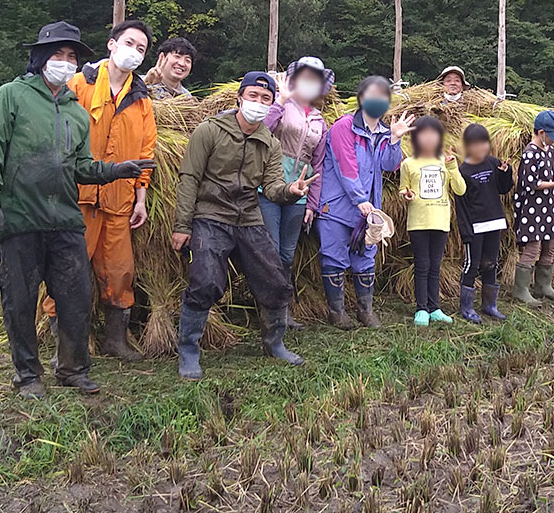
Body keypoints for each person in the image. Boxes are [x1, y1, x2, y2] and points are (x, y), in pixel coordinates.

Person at [0, 22, 154, 399]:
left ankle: (72, 369)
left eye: (71, 56)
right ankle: (27, 376)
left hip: (65, 219)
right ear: (40, 58)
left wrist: (114, 171)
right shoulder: (12, 96)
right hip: (20, 218)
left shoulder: (74, 110)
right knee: (20, 301)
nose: (65, 62)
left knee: (75, 296)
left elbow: (81, 167)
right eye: (58, 54)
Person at [170, 72, 317, 379]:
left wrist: (290, 192)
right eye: (253, 96)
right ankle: (189, 350)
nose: (258, 103)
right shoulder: (210, 130)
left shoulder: (269, 143)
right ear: (239, 97)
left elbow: (273, 185)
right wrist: (182, 225)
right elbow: (189, 179)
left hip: (248, 217)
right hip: (211, 216)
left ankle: (274, 342)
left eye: (266, 98)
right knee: (205, 281)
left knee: (276, 281)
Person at [41, 19, 156, 363]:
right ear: (111, 44)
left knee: (120, 272)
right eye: (129, 43)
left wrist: (141, 198)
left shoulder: (141, 99)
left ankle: (115, 341)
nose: (134, 52)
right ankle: (65, 346)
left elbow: (146, 151)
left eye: (141, 49)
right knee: (67, 270)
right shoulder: (80, 83)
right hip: (77, 198)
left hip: (120, 201)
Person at [317, 76, 416, 329]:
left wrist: (394, 139)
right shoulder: (344, 126)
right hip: (337, 206)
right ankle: (337, 313)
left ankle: (366, 311)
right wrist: (360, 199)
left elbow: (389, 164)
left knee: (365, 258)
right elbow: (345, 166)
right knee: (335, 257)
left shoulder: (384, 131)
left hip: (367, 210)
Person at [261, 56, 332, 329]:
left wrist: (312, 204)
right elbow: (261, 130)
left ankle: (282, 311)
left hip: (299, 194)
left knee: (287, 255)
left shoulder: (319, 120)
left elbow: (318, 164)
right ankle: (269, 313)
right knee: (271, 251)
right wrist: (280, 100)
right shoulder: (279, 105)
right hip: (267, 186)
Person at [398, 116, 466, 327]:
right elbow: (403, 188)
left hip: (440, 221)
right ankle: (421, 308)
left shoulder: (445, 161)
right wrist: (405, 194)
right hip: (418, 222)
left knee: (435, 266)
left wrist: (453, 166)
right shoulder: (408, 163)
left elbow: (460, 190)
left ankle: (434, 307)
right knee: (422, 265)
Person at [511, 110, 554, 306]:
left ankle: (543, 286)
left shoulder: (549, 151)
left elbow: (548, 176)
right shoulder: (530, 154)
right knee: (533, 247)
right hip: (532, 207)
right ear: (540, 133)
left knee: (550, 245)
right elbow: (532, 184)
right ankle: (521, 290)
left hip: (548, 206)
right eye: (552, 137)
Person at [455, 123, 513, 323]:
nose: (482, 149)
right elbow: (461, 205)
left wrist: (506, 172)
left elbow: (504, 189)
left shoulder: (492, 163)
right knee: (472, 264)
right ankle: (467, 307)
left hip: (494, 222)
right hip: (475, 226)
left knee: (491, 264)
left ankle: (490, 305)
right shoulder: (463, 171)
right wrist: (466, 231)